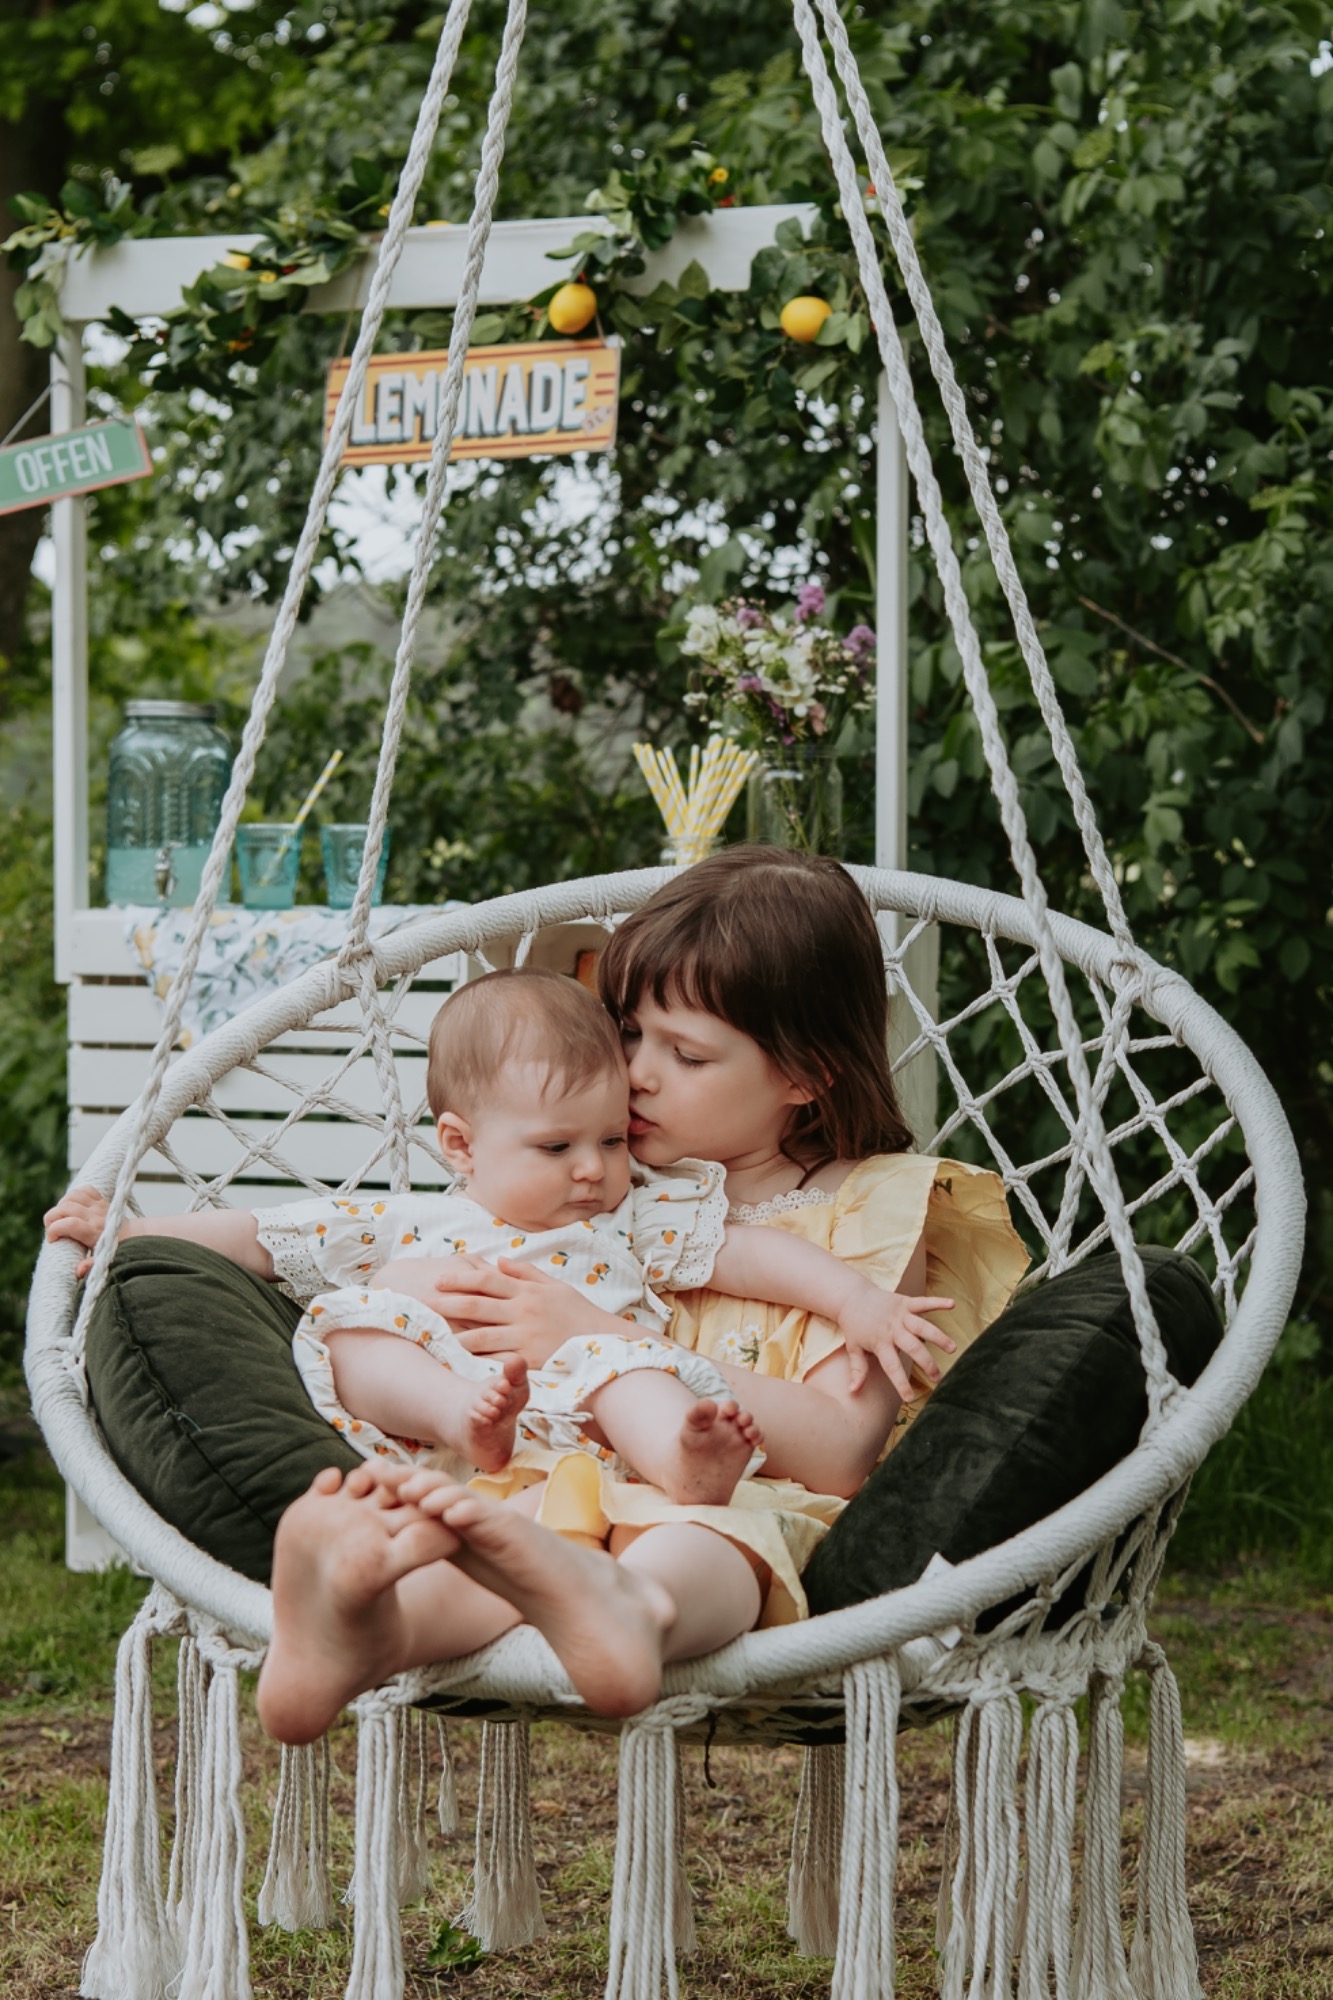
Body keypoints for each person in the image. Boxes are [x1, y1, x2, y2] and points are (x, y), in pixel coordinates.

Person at [47, 849, 1029, 1741]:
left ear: (806, 1075)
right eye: (629, 1032)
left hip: (723, 1496)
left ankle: (631, 1614)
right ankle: (368, 1628)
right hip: (551, 1466)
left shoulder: (874, 1208)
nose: (634, 1075)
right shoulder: (606, 1184)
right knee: (499, 1540)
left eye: (685, 1055)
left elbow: (843, 1448)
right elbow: (324, 1230)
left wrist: (595, 1333)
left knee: (700, 1542)